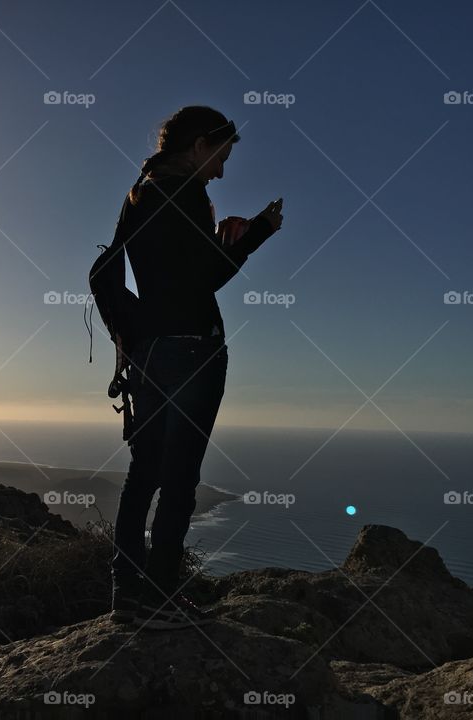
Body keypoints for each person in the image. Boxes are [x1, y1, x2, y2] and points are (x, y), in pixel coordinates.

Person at [109, 105, 284, 630]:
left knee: (144, 472)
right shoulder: (185, 195)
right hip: (191, 350)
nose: (223, 170)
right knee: (180, 478)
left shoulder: (140, 193)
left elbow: (167, 274)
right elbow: (200, 282)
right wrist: (254, 236)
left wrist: (217, 242)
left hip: (147, 350)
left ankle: (127, 595)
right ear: (201, 145)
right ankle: (162, 598)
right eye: (222, 155)